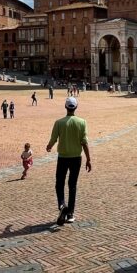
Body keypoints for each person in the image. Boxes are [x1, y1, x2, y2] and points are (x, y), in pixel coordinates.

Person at [46, 96, 92, 225]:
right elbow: (84, 142)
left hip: (63, 157)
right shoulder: (82, 122)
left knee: (59, 183)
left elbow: (53, 139)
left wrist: (49, 146)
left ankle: (62, 205)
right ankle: (70, 214)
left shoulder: (59, 122)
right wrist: (88, 159)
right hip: (76, 157)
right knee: (72, 185)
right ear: (76, 107)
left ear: (65, 107)